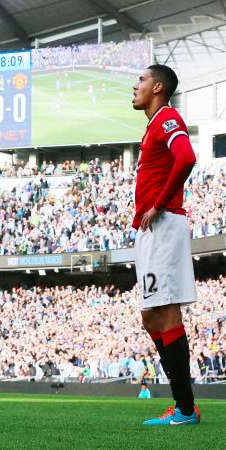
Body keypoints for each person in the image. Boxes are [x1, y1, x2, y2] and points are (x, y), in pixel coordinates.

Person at [131, 64, 200, 426]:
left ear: (158, 86)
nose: (135, 86)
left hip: (163, 223)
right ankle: (183, 404)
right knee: (149, 315)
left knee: (166, 312)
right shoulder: (153, 124)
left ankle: (186, 409)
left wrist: (158, 204)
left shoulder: (168, 117)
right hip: (150, 229)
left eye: (141, 80)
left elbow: (187, 157)